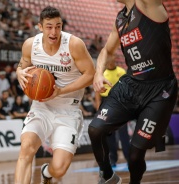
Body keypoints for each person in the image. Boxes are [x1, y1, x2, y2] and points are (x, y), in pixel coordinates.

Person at [88, 0, 178, 183]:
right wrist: (98, 73)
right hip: (131, 84)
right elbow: (106, 50)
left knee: (136, 156)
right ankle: (107, 176)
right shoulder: (120, 19)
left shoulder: (148, 5)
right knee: (95, 129)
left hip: (160, 89)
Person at [15, 6, 95, 184]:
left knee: (59, 169)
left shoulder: (74, 44)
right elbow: (22, 66)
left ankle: (47, 173)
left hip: (68, 109)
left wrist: (60, 91)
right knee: (26, 147)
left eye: (58, 26)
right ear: (40, 27)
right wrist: (19, 72)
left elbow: (90, 74)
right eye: (49, 26)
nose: (54, 31)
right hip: (41, 107)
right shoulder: (30, 45)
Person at [94, 57, 130, 167]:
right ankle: (113, 159)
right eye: (108, 60)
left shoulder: (121, 71)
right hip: (106, 102)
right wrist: (98, 105)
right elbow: (97, 91)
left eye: (111, 59)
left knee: (124, 133)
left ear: (114, 60)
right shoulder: (102, 73)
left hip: (120, 103)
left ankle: (129, 159)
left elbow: (127, 88)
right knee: (109, 134)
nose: (110, 61)